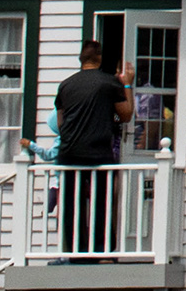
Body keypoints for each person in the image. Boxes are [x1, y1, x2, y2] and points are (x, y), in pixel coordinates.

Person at [52, 38, 129, 255]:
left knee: (71, 205)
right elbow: (126, 115)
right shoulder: (108, 82)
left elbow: (60, 122)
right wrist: (127, 84)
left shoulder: (65, 85)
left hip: (68, 152)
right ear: (100, 58)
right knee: (101, 204)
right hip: (97, 152)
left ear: (80, 58)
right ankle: (102, 252)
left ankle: (74, 252)